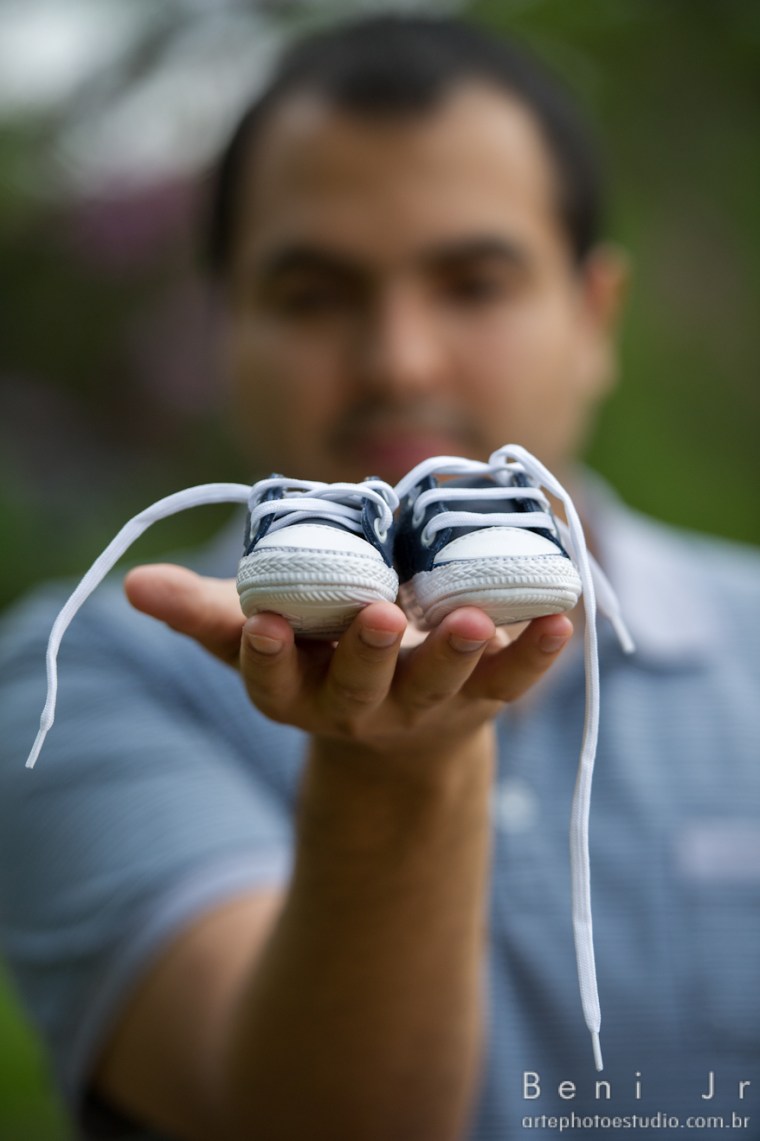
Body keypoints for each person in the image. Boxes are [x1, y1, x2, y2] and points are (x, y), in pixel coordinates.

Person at [1, 14, 759, 1141]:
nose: (399, 360)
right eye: (313, 294)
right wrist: (398, 771)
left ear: (594, 318)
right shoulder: (80, 679)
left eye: (474, 284)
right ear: (223, 328)